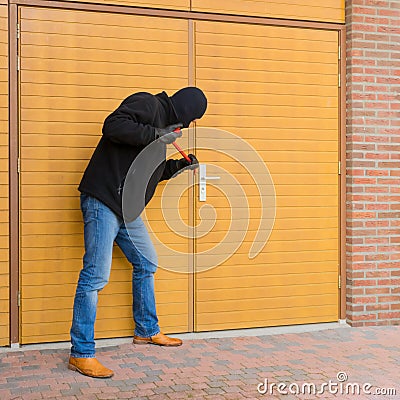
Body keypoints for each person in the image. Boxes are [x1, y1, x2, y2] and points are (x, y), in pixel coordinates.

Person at [68, 87, 207, 378]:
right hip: (104, 201)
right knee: (95, 275)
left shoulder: (162, 132)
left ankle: (146, 330)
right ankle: (81, 353)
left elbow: (149, 169)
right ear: (184, 111)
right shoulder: (148, 104)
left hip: (126, 210)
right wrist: (158, 136)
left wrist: (178, 166)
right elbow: (113, 126)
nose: (187, 127)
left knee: (147, 261)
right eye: (191, 120)